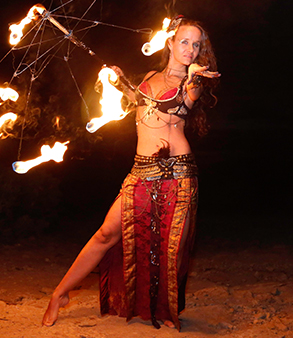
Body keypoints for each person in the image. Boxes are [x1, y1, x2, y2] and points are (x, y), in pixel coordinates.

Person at [42, 16, 220, 330]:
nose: (190, 49)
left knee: (171, 247)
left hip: (177, 172)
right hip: (141, 171)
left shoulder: (194, 83)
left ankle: (166, 310)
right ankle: (60, 293)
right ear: (170, 42)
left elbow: (178, 106)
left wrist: (192, 80)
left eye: (196, 44)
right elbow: (138, 104)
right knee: (106, 234)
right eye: (184, 41)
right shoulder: (150, 76)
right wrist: (118, 80)